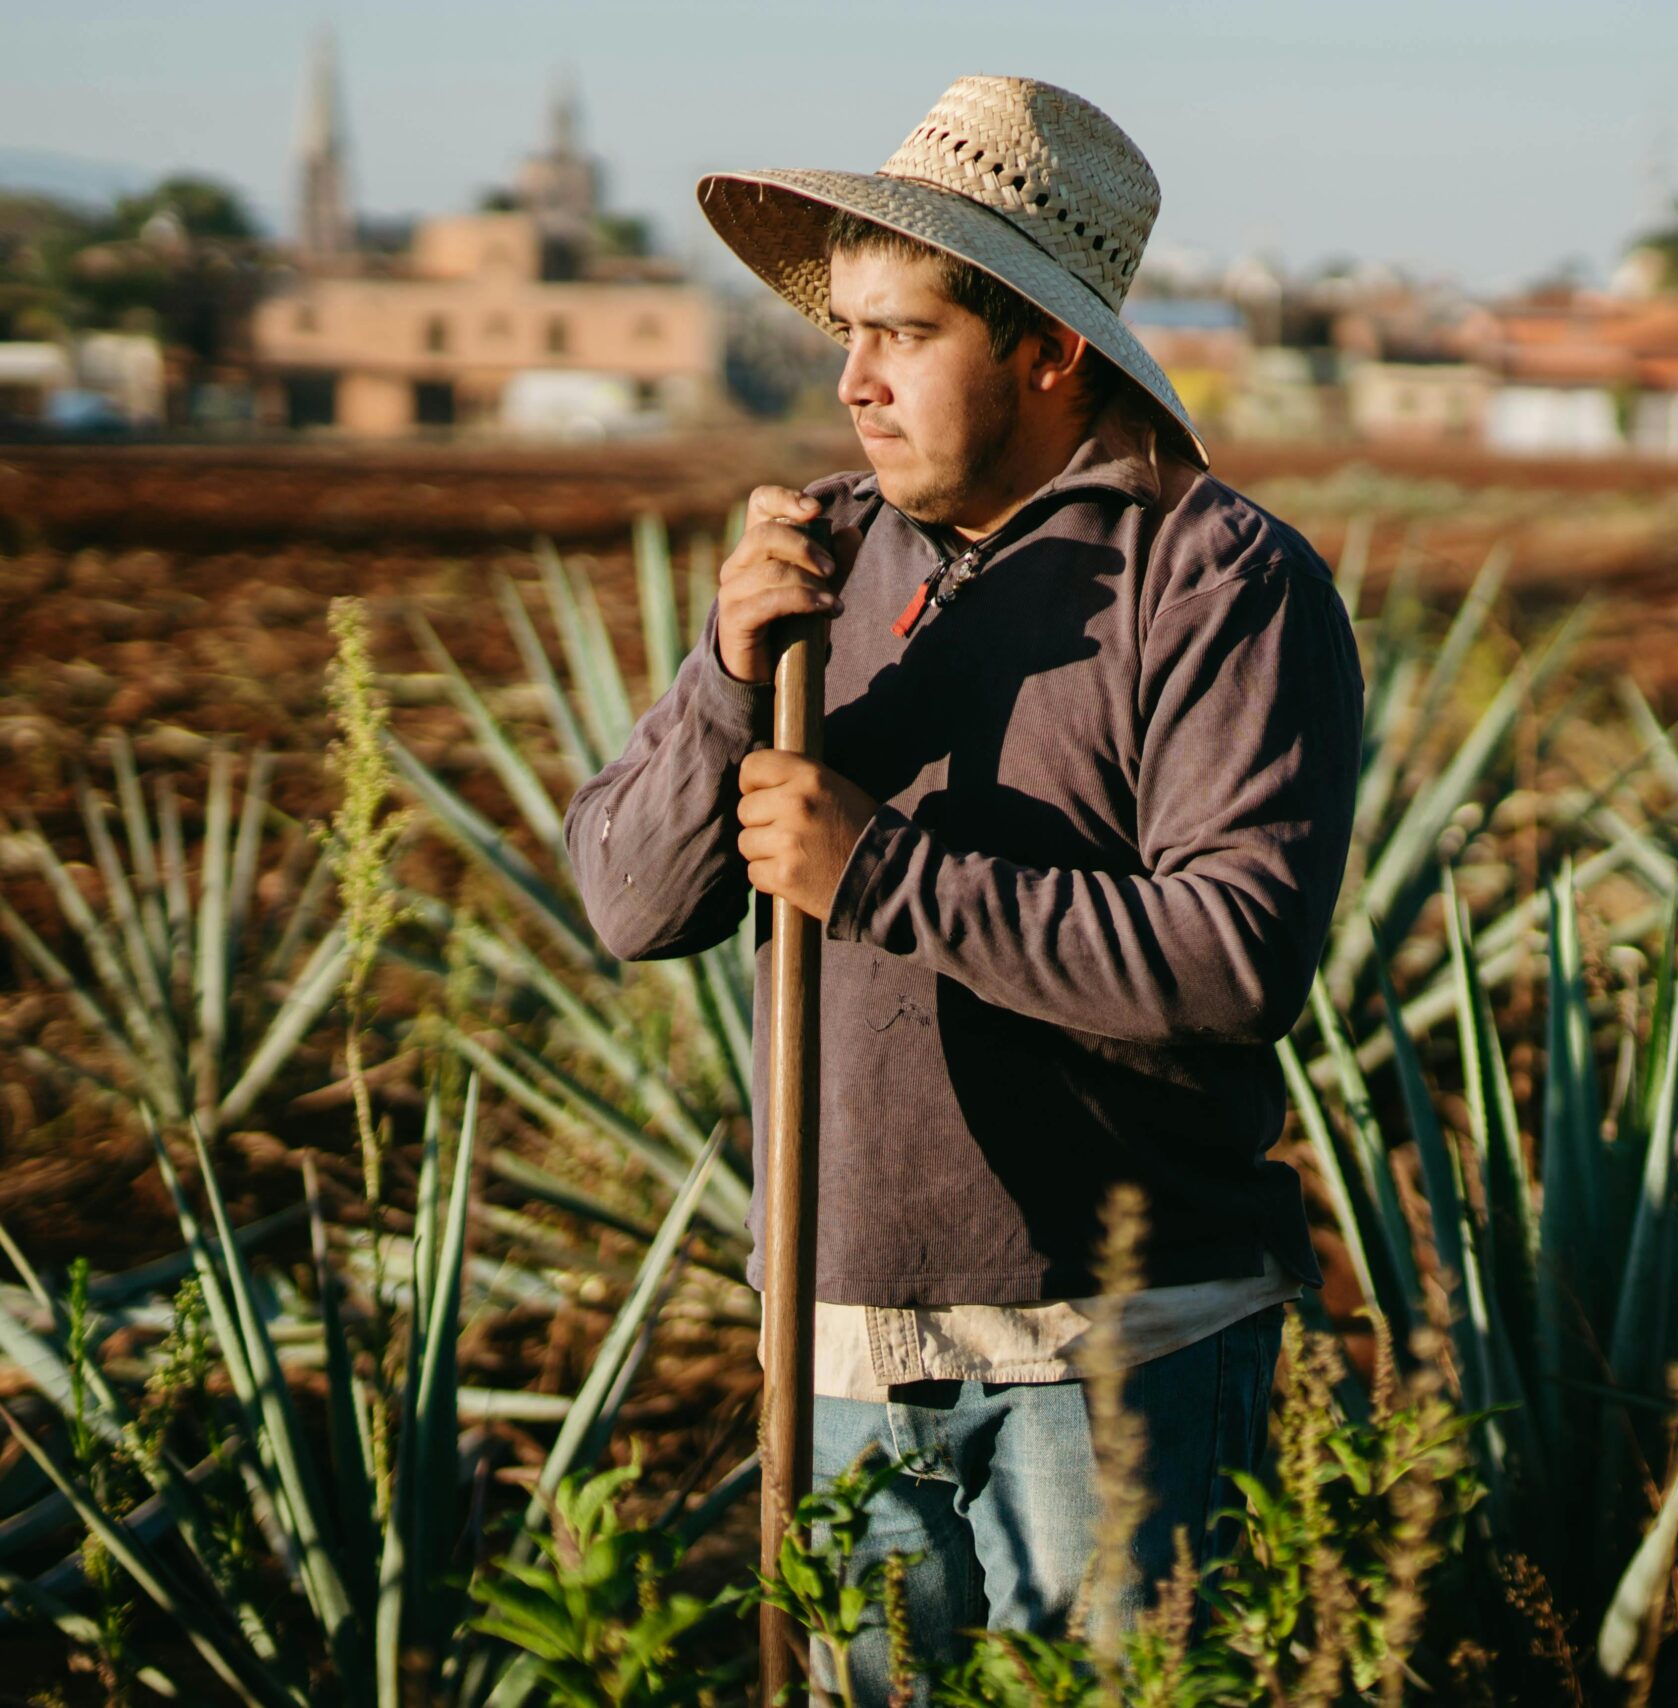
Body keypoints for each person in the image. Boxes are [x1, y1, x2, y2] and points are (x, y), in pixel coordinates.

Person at [560, 75, 1365, 1701]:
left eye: (904, 334)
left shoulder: (1218, 583)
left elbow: (1234, 958)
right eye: (843, 335)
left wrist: (881, 873)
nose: (852, 381)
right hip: (841, 1347)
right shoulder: (816, 563)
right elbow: (631, 906)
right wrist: (726, 678)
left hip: (1117, 1358)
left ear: (1047, 349)